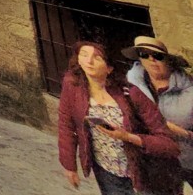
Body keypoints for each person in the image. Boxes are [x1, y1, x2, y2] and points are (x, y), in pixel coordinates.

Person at [58, 40, 179, 194]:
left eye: (97, 57)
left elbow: (169, 144)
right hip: (107, 171)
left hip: (146, 173)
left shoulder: (131, 94)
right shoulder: (72, 86)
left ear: (109, 68)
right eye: (84, 54)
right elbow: (66, 124)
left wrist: (127, 136)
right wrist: (69, 165)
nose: (89, 61)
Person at [124, 36, 193, 194]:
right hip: (155, 160)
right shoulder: (132, 85)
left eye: (158, 56)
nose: (151, 60)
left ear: (168, 61)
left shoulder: (190, 90)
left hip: (188, 158)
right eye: (144, 55)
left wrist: (184, 133)